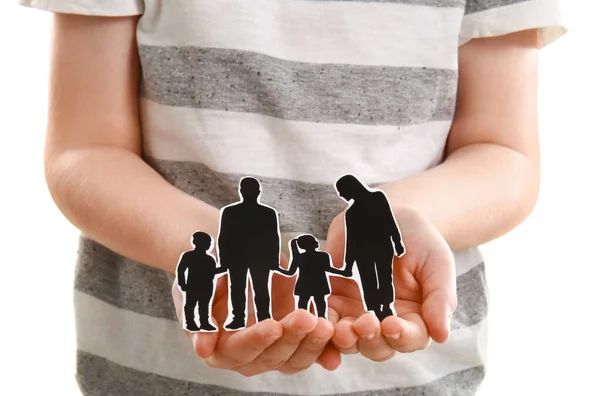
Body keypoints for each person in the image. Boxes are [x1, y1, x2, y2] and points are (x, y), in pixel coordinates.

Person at [20, 0, 567, 394]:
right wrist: (219, 255)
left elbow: (503, 154)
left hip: (413, 367)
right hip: (154, 371)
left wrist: (393, 221)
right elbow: (85, 151)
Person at [335, 175, 405, 321]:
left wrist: (397, 242)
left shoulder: (377, 198)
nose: (341, 195)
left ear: (351, 188)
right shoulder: (351, 213)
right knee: (370, 280)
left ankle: (386, 306)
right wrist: (348, 265)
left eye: (341, 191)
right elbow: (351, 240)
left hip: (382, 246)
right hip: (367, 251)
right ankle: (376, 310)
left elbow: (389, 220)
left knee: (383, 277)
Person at [217, 177, 281, 329]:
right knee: (255, 289)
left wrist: (224, 261)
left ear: (241, 192)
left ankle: (250, 318)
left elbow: (224, 237)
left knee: (243, 289)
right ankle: (256, 317)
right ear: (258, 192)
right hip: (250, 259)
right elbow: (273, 239)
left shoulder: (231, 212)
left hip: (243, 259)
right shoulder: (267, 213)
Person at [278, 235, 348, 319]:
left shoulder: (299, 257)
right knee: (320, 302)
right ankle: (321, 318)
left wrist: (277, 269)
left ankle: (303, 319)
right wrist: (342, 272)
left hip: (304, 284)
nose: (316, 242)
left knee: (304, 303)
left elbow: (290, 272)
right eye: (314, 241)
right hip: (319, 283)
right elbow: (328, 269)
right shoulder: (322, 256)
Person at [176, 231, 226, 332]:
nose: (208, 245)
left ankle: (204, 323)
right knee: (191, 304)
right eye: (206, 243)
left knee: (204, 306)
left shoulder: (210, 259)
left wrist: (225, 268)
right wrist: (182, 283)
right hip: (192, 286)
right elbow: (181, 270)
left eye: (209, 243)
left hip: (206, 287)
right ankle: (190, 323)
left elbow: (212, 272)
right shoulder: (188, 256)